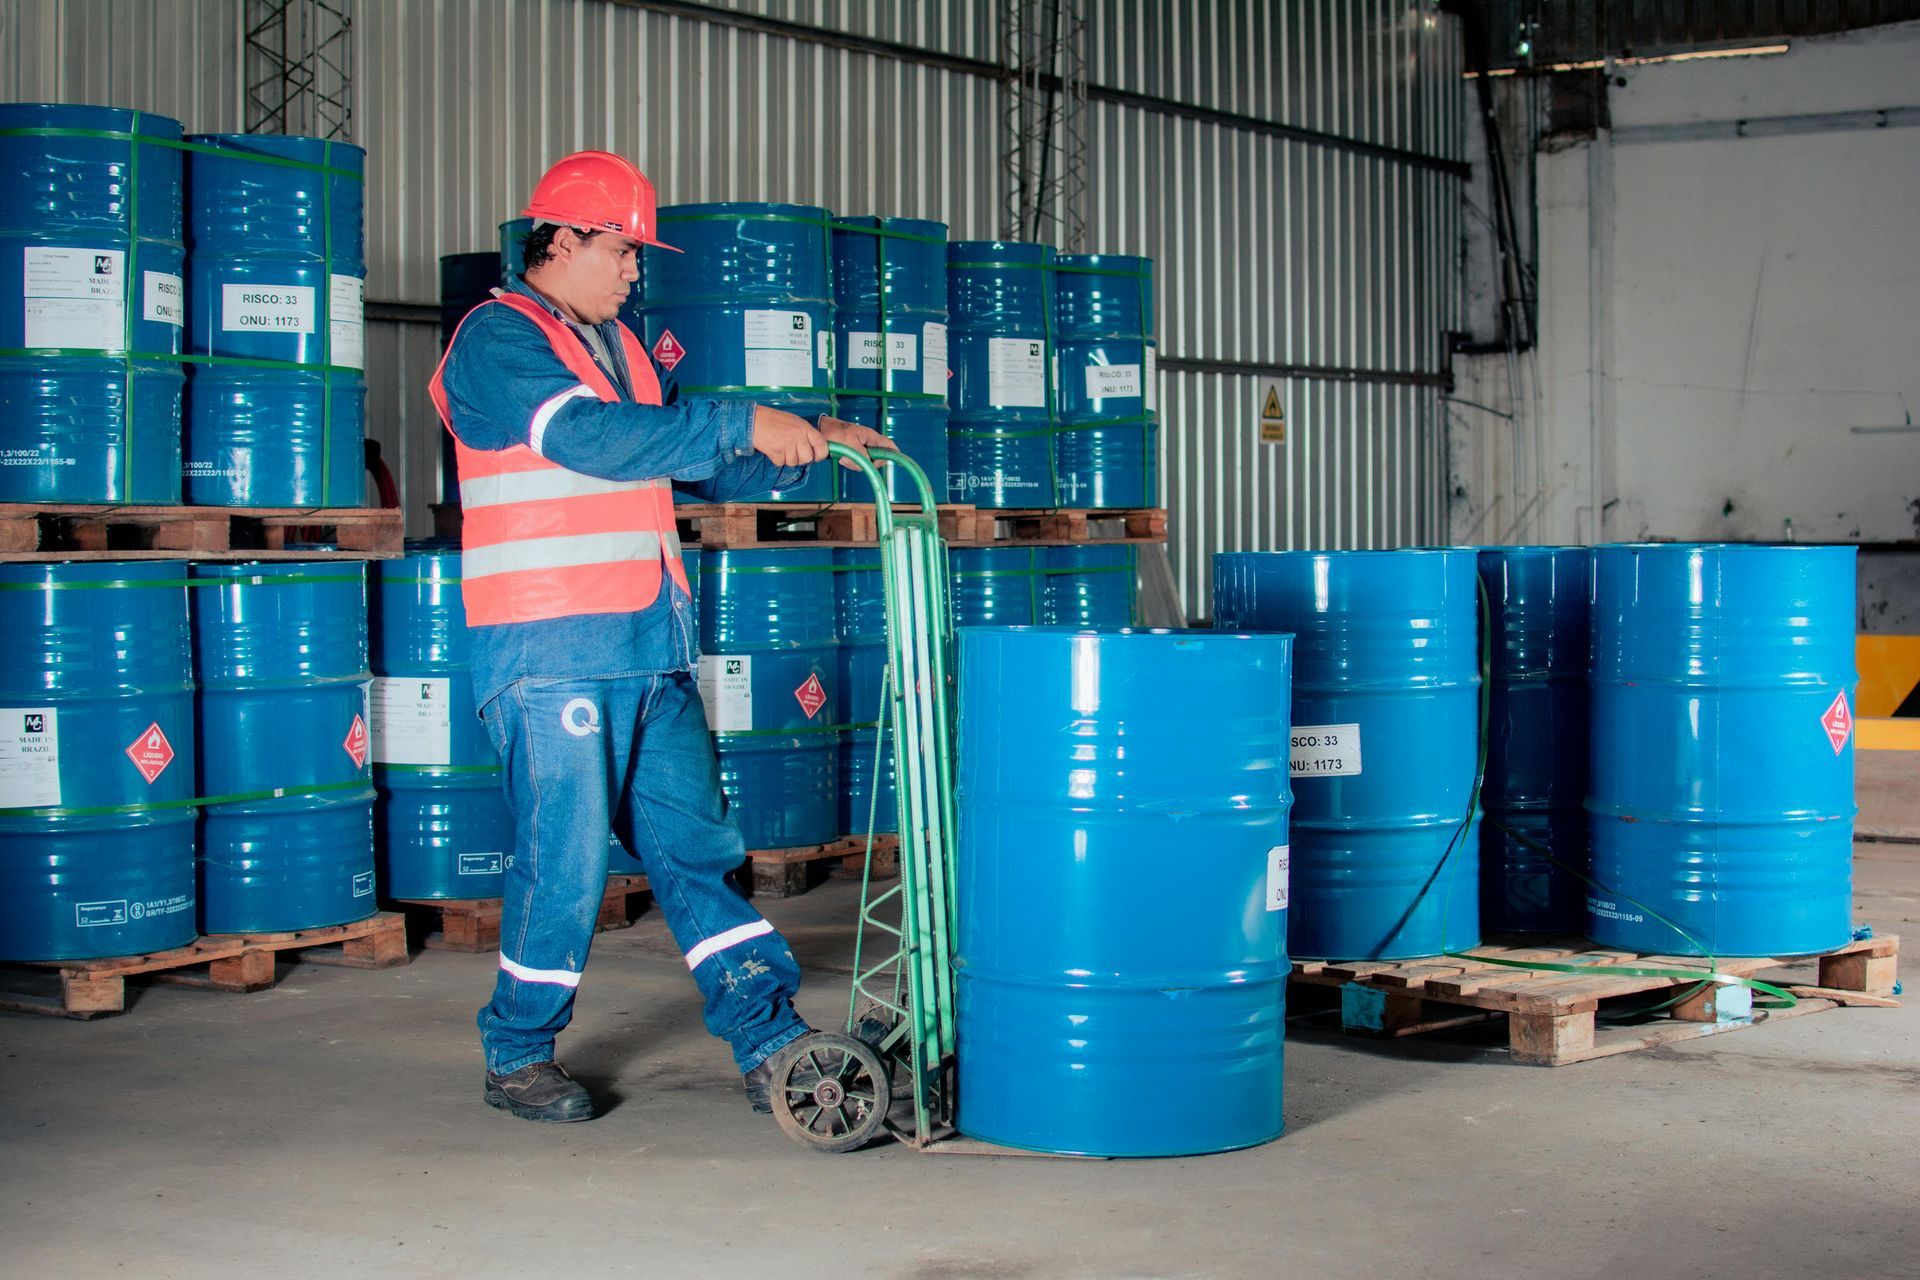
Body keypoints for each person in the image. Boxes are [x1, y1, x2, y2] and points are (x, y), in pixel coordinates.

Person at [427, 150, 892, 1123]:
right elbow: (589, 439)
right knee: (565, 863)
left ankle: (767, 1035)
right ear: (558, 240)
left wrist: (807, 441)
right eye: (621, 249)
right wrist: (739, 418)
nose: (635, 270)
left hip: (649, 643)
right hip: (550, 649)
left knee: (696, 849)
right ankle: (516, 1051)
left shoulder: (626, 350)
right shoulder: (496, 339)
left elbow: (690, 461)